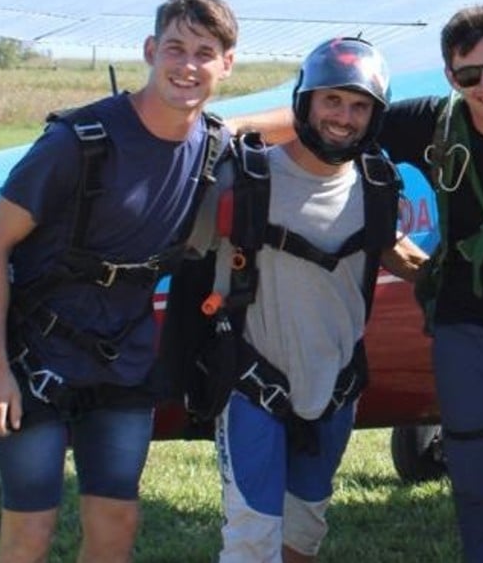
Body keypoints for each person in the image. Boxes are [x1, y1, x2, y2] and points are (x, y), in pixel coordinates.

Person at [230, 4, 483, 563]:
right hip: (471, 340)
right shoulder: (434, 121)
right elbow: (340, 124)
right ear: (451, 78)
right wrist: (215, 130)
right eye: (469, 76)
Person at [0, 0, 238, 563]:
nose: (188, 65)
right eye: (175, 48)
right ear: (149, 50)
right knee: (29, 532)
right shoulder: (78, 142)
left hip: (123, 362)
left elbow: (295, 124)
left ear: (226, 64)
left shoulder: (214, 145)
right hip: (35, 358)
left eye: (205, 52)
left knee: (116, 525)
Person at [173, 37, 426, 562]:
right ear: (304, 102)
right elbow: (171, 241)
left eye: (359, 106)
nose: (343, 117)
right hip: (252, 384)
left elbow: (400, 255)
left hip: (335, 386)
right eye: (331, 100)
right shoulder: (242, 177)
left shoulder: (376, 186)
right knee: (252, 538)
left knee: (305, 532)